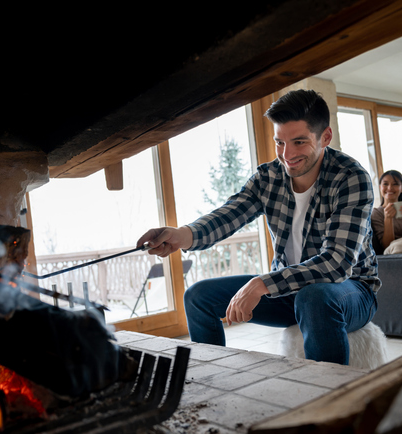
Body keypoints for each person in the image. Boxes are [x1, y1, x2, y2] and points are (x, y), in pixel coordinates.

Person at [136, 89, 379, 365]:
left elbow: (336, 263)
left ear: (325, 137)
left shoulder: (350, 177)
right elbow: (228, 215)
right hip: (289, 292)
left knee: (314, 298)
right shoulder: (268, 177)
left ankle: (331, 400)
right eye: (280, 142)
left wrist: (262, 283)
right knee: (197, 297)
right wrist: (180, 236)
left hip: (349, 291)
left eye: (299, 142)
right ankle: (214, 384)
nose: (287, 154)